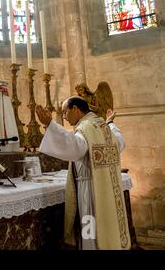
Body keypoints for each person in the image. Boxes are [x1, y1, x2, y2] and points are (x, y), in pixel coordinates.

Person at [35, 96, 131, 250]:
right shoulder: (103, 126)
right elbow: (120, 140)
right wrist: (110, 122)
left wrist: (49, 124)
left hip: (90, 191)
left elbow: (74, 146)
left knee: (89, 228)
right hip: (109, 189)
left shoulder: (86, 128)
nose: (65, 117)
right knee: (107, 226)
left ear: (75, 109)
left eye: (66, 112)